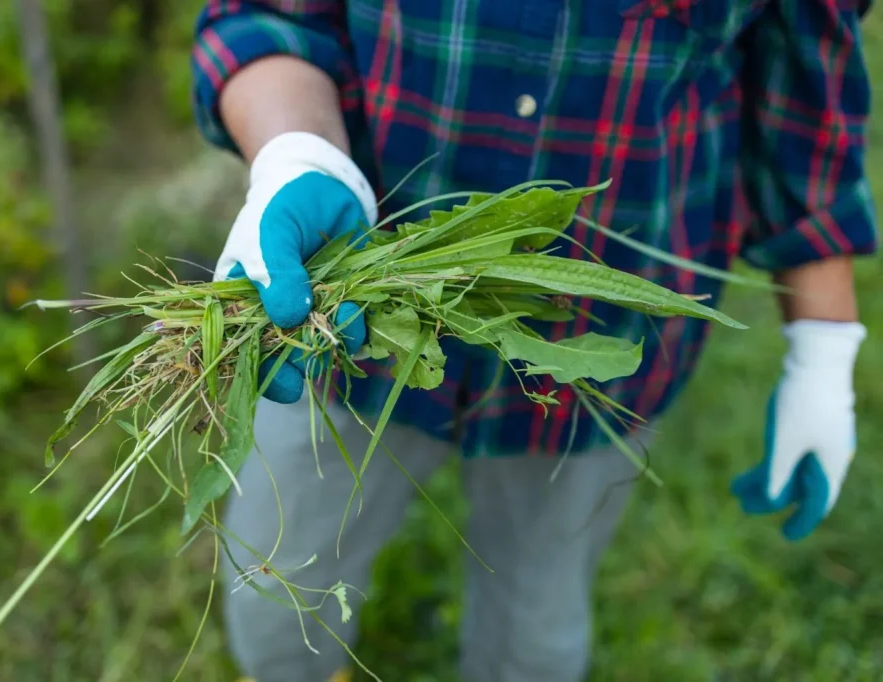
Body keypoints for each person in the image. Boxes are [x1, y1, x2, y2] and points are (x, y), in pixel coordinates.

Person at [189, 2, 877, 681]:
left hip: (591, 352)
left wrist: (822, 349)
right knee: (279, 582)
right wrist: (299, 156)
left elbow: (804, 117)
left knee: (534, 628)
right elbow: (270, 18)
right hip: (345, 322)